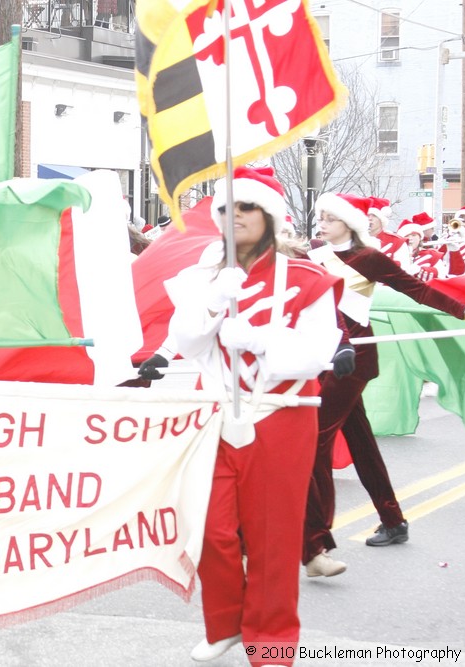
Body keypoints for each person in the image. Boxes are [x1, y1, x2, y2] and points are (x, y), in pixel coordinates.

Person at [164, 168, 343, 666]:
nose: (235, 216)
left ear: (268, 215)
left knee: (273, 539)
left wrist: (262, 340)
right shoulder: (202, 277)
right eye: (226, 208)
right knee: (210, 529)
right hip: (215, 416)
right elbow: (185, 344)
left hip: (282, 416)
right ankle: (225, 624)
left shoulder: (308, 277)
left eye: (246, 207)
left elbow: (317, 352)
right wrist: (215, 303)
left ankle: (272, 644)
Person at [302, 193, 465, 577]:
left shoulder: (369, 258)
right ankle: (393, 520)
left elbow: (418, 290)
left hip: (354, 361)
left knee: (316, 442)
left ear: (349, 222)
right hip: (327, 354)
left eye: (330, 218)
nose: (322, 224)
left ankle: (315, 543)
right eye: (320, 218)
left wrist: (462, 310)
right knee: (360, 441)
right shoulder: (313, 256)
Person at [396, 213, 446, 281]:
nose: (410, 238)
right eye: (406, 236)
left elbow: (442, 275)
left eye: (414, 235)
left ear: (420, 238)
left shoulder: (431, 255)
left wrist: (420, 270)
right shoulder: (395, 255)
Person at [366, 197, 411, 271]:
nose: (370, 219)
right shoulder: (356, 239)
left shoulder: (397, 242)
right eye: (367, 215)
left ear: (381, 220)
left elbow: (404, 270)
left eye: (374, 215)